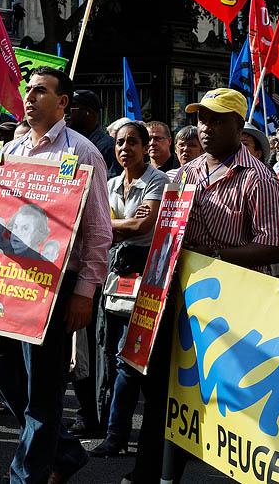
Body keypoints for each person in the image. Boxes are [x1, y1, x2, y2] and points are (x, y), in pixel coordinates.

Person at [0, 67, 111, 483]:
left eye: (41, 91)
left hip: (52, 288)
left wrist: (85, 291)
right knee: (7, 383)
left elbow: (98, 231)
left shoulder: (83, 153)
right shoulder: (8, 151)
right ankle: (65, 452)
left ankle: (25, 476)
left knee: (43, 393)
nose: (29, 97)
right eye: (27, 90)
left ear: (63, 103)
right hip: (3, 281)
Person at [128, 88, 279, 484]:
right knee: (164, 392)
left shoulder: (258, 177)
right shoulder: (185, 173)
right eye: (202, 119)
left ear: (239, 126)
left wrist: (217, 257)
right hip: (178, 300)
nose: (205, 128)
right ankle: (152, 472)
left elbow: (277, 242)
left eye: (217, 120)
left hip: (229, 310)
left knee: (225, 403)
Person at [91, 120, 165, 458]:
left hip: (147, 282)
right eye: (120, 142)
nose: (125, 149)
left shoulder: (159, 181)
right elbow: (95, 225)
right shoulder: (110, 183)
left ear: (146, 146)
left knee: (128, 359)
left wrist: (109, 228)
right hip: (113, 280)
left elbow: (140, 225)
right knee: (115, 356)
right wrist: (114, 230)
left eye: (132, 142)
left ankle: (117, 434)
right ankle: (137, 431)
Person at [67, 90, 120, 177]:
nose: (66, 113)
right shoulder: (69, 145)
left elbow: (111, 186)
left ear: (89, 113)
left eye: (71, 108)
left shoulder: (108, 147)